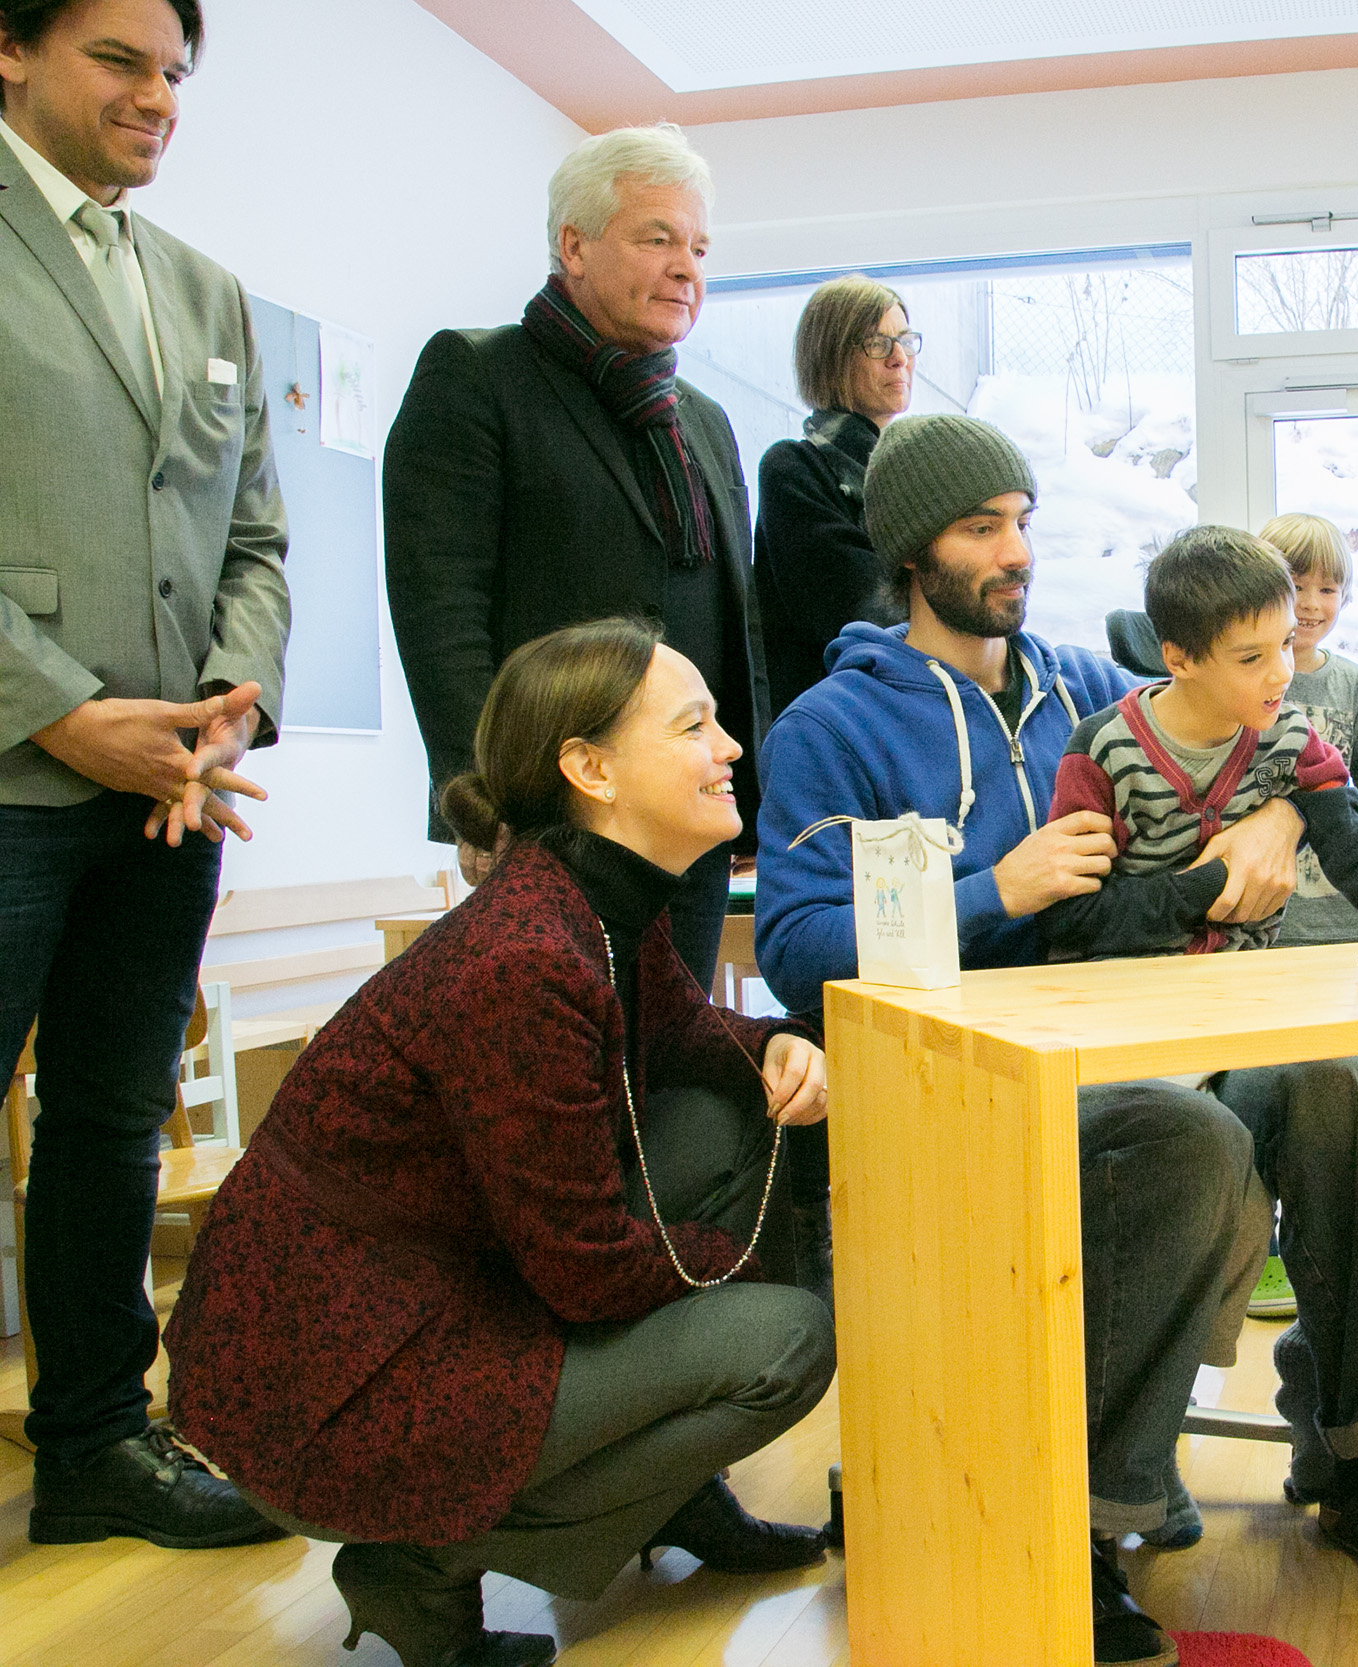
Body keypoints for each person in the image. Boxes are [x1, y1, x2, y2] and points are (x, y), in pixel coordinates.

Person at [756, 418, 1358, 1661]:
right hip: (972, 1093)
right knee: (1188, 1136)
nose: (1016, 552)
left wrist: (1272, 821)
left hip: (1152, 1043)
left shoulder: (1086, 691)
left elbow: (1235, 733)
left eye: (1023, 519)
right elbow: (793, 945)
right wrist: (999, 887)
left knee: (1337, 1086)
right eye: (979, 526)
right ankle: (1084, 1516)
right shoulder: (828, 727)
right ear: (907, 550)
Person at [167, 619, 833, 1667]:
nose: (731, 748)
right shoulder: (526, 959)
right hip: (335, 1379)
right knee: (786, 1339)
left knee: (729, 1108)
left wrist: (779, 1046)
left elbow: (694, 1038)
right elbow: (586, 1274)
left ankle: (664, 1491)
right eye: (695, 725)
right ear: (589, 769)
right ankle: (419, 1560)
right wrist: (737, 1269)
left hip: (419, 1303)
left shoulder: (594, 899)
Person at [0, 0, 290, 1551]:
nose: (156, 97)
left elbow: (255, 536)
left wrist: (224, 713)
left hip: (173, 793)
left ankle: (101, 1441)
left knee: (114, 1120)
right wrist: (61, 711)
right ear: (12, 49)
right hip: (10, 779)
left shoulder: (205, 290)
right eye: (120, 60)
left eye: (176, 72)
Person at [384, 122, 769, 990]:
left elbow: (730, 618)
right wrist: (480, 800)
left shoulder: (700, 419)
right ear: (574, 246)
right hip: (554, 811)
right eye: (658, 238)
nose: (687, 268)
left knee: (677, 1073)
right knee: (563, 1068)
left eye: (699, 247)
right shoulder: (477, 376)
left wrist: (749, 799)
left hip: (688, 811)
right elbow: (438, 607)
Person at [1040, 527, 1358, 958]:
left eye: (1287, 642)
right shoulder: (1104, 753)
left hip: (1242, 988)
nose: (1283, 673)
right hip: (1123, 995)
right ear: (1179, 659)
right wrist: (1209, 883)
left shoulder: (1293, 740)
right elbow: (1071, 923)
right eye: (1252, 658)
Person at [753, 275, 916, 717]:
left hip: (918, 708)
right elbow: (863, 610)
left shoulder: (917, 469)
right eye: (878, 344)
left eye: (905, 340)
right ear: (833, 356)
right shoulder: (793, 468)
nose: (900, 358)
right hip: (837, 723)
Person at [1261, 513, 1358, 948]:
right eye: (1295, 586)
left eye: (1327, 589)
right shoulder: (1245, 682)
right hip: (1265, 922)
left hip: (1347, 920)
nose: (1311, 604)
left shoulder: (1353, 684)